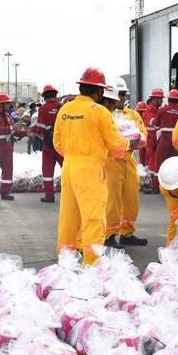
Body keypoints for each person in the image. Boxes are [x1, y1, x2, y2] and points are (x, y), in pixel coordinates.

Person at [53, 67, 126, 265]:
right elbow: (117, 146)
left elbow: (57, 144)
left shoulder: (65, 110)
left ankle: (65, 260)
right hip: (91, 168)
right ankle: (92, 262)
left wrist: (74, 154)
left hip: (69, 166)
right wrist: (129, 144)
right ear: (99, 91)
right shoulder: (99, 112)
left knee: (69, 215)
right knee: (93, 216)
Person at [105, 78, 149, 247]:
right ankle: (109, 235)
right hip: (111, 161)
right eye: (120, 94)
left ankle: (127, 233)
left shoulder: (132, 114)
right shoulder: (106, 114)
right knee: (112, 201)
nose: (123, 98)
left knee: (132, 199)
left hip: (129, 159)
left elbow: (143, 133)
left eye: (124, 94)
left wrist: (138, 139)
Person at [148, 89, 178, 194]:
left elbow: (156, 124)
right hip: (175, 141)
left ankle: (156, 186)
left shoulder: (162, 110)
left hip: (164, 140)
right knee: (174, 163)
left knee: (159, 162)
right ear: (177, 100)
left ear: (168, 99)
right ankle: (172, 186)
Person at [30, 85, 62, 203]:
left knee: (47, 171)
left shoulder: (42, 109)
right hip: (62, 145)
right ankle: (73, 195)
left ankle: (49, 196)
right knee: (68, 169)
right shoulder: (62, 107)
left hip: (48, 145)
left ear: (44, 96)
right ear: (55, 94)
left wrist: (35, 133)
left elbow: (40, 129)